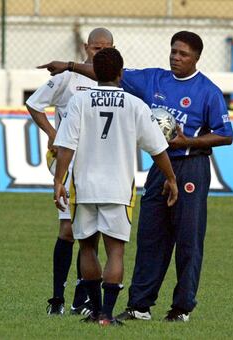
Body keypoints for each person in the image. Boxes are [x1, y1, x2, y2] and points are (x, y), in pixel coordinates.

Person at [39, 31, 233, 322]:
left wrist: (188, 142)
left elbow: (225, 135)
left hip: (190, 165)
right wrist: (70, 66)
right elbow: (103, 71)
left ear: (196, 58)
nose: (176, 57)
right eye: (173, 51)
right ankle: (139, 305)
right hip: (159, 168)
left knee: (188, 239)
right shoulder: (152, 80)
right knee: (149, 237)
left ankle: (181, 307)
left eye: (183, 54)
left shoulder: (208, 91)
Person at [53, 47, 178, 326]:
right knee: (116, 252)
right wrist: (171, 179)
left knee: (87, 248)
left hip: (83, 187)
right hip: (118, 189)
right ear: (121, 73)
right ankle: (107, 315)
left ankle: (95, 310)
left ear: (96, 73)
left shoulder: (80, 102)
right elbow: (158, 149)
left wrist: (58, 181)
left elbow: (66, 146)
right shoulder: (135, 105)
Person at [26, 28, 115, 316]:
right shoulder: (67, 77)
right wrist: (53, 132)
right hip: (71, 161)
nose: (98, 53)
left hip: (99, 163)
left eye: (105, 48)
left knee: (92, 231)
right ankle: (56, 299)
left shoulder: (113, 82)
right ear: (86, 47)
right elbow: (34, 103)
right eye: (95, 48)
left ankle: (82, 299)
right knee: (68, 230)